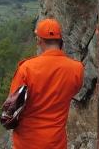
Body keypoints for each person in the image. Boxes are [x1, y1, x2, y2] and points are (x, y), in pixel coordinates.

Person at [8, 18, 84, 149]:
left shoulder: (26, 69)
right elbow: (73, 91)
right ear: (60, 40)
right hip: (56, 142)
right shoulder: (77, 69)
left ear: (39, 40)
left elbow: (12, 107)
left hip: (27, 142)